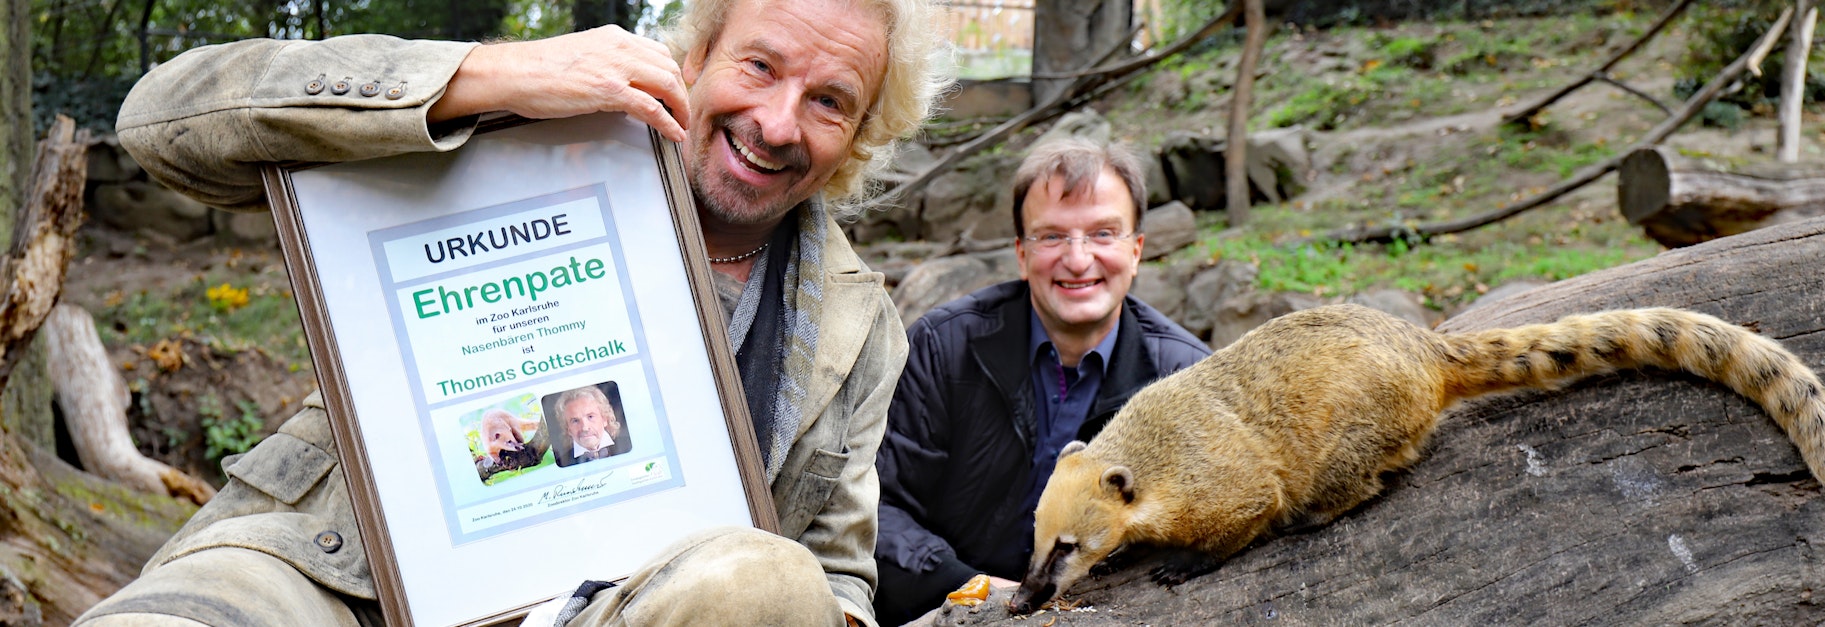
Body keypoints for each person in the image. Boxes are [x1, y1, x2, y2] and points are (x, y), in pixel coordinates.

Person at [74, 0, 951, 623]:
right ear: (697, 56)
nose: (777, 120)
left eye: (829, 100)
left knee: (771, 582)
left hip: (634, 607)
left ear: (862, 133)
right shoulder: (518, 124)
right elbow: (160, 120)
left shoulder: (857, 324)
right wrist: (485, 75)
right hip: (339, 573)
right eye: (759, 65)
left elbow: (837, 569)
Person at [872, 137, 1211, 624]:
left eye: (1102, 234)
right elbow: (875, 505)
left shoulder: (1185, 379)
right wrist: (977, 590)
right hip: (935, 610)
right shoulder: (943, 346)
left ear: (1136, 251)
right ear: (1021, 253)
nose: (1077, 260)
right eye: (1052, 236)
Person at [552, 385, 631, 466]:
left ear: (604, 419)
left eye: (590, 417)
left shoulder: (630, 445)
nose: (584, 428)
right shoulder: (562, 463)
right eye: (575, 421)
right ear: (568, 429)